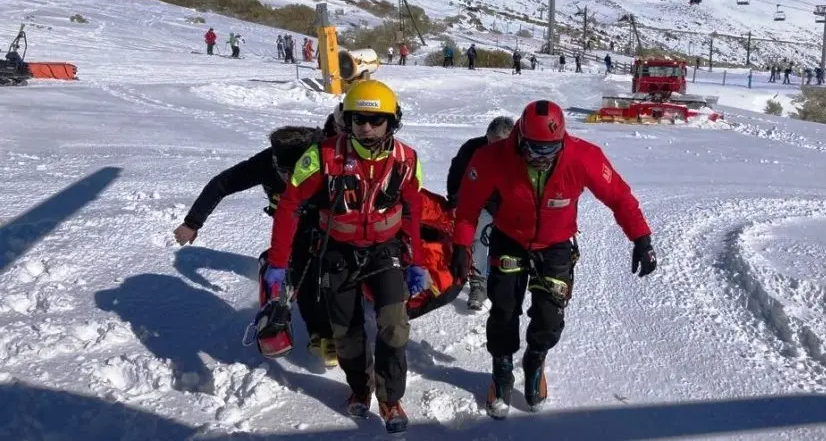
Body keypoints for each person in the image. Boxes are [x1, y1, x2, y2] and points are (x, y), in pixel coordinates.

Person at [449, 100, 657, 419]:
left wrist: (641, 238)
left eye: (549, 150)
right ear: (519, 138)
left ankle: (535, 360)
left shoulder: (583, 156)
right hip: (510, 239)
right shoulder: (493, 156)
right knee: (504, 310)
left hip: (557, 244)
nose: (541, 158)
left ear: (562, 141)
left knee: (549, 318)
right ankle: (502, 372)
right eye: (533, 149)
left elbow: (619, 196)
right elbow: (467, 209)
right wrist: (461, 247)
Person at [264, 80, 422, 434]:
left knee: (394, 326)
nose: (366, 127)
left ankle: (390, 396)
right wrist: (277, 263)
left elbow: (413, 208)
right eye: (358, 119)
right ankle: (359, 387)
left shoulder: (406, 160)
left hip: (385, 251)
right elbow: (289, 206)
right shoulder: (321, 156)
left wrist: (420, 262)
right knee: (347, 331)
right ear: (346, 120)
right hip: (338, 252)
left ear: (391, 122)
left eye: (375, 120)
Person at [174, 107, 345, 366]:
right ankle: (317, 333)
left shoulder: (327, 159)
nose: (291, 181)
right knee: (298, 272)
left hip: (333, 226)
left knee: (329, 273)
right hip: (291, 231)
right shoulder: (265, 163)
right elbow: (222, 183)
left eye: (297, 173)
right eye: (284, 173)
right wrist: (192, 223)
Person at [445, 116, 514, 311]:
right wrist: (454, 197)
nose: (492, 147)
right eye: (489, 141)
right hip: (478, 204)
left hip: (508, 206)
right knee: (478, 234)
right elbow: (456, 174)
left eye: (498, 144)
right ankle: (478, 283)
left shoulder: (519, 154)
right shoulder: (472, 149)